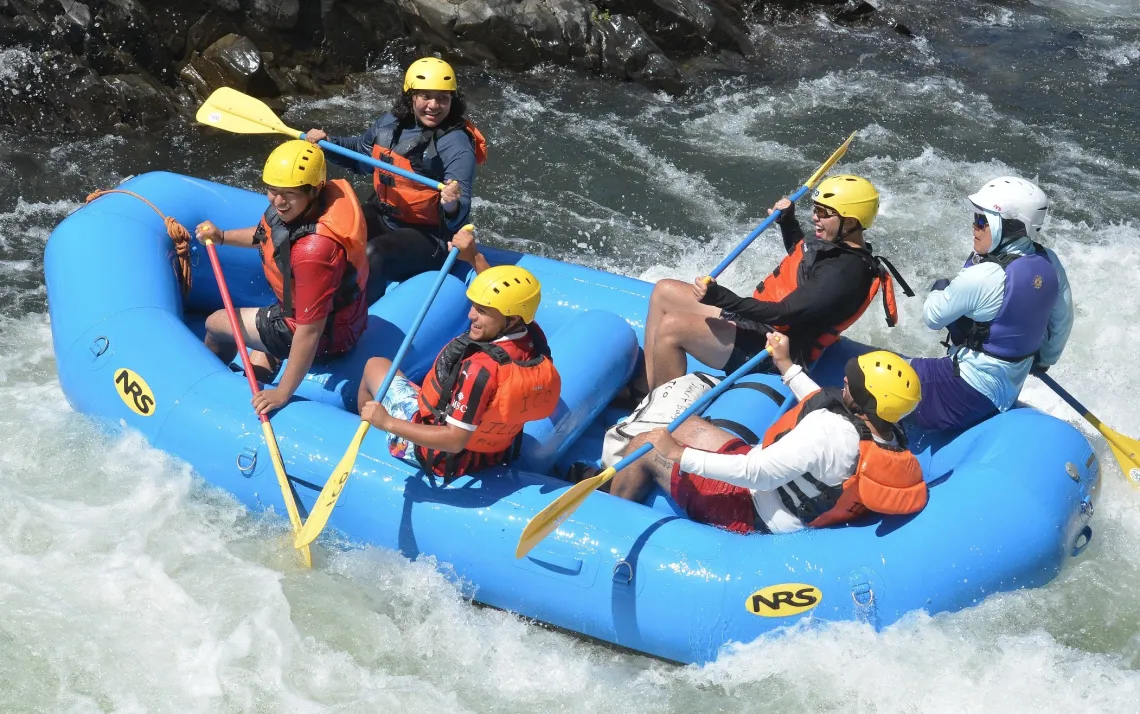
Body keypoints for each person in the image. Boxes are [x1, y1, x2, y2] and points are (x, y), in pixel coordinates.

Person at [609, 332, 927, 534]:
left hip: (752, 509)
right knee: (690, 426)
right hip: (779, 491)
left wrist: (678, 454)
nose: (845, 380)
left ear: (867, 399)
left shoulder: (828, 433)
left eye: (854, 382)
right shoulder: (886, 435)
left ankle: (607, 517)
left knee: (646, 443)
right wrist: (787, 366)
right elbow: (823, 403)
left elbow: (755, 473)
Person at [633, 175, 912, 396]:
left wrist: (720, 297)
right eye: (815, 209)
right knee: (664, 291)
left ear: (849, 222)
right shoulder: (837, 248)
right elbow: (803, 262)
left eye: (824, 212)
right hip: (763, 327)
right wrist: (787, 222)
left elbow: (783, 313)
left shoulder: (844, 274)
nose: (815, 217)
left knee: (672, 328)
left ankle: (657, 415)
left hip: (776, 349)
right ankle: (648, 387)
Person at [195, 140, 369, 415]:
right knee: (261, 349)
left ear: (314, 190)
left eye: (288, 193)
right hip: (320, 313)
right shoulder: (304, 208)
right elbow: (267, 235)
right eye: (272, 191)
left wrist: (282, 393)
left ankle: (202, 385)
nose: (278, 201)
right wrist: (223, 237)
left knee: (215, 323)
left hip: (327, 334)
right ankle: (247, 382)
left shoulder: (315, 251)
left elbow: (309, 330)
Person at [357, 244, 561, 479]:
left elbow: (454, 440)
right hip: (494, 452)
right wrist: (475, 257)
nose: (471, 315)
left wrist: (387, 422)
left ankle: (365, 430)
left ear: (511, 317)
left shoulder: (479, 371)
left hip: (442, 457)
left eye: (482, 311)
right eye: (475, 306)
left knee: (375, 365)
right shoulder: (533, 336)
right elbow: (500, 299)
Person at [305, 57, 487, 302]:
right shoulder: (389, 124)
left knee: (374, 252)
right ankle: (315, 300)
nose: (434, 105)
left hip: (430, 238)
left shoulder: (456, 144)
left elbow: (460, 210)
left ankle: (359, 320)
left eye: (443, 98)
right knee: (333, 230)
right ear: (410, 96)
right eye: (425, 96)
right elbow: (361, 153)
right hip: (385, 215)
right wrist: (327, 143)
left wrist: (451, 203)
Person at [911, 176, 1074, 431]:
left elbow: (933, 317)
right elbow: (1062, 321)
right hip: (1006, 391)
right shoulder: (1050, 262)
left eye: (982, 220)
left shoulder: (985, 275)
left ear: (1009, 227)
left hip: (962, 393)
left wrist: (938, 289)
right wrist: (1044, 360)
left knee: (860, 373)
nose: (974, 227)